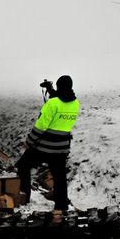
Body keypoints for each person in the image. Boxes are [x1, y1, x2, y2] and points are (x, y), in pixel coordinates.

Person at [16, 75, 80, 212]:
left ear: (58, 86)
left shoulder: (51, 104)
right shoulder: (75, 103)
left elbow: (41, 126)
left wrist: (29, 141)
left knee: (22, 166)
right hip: (61, 148)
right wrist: (51, 91)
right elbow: (61, 100)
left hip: (44, 147)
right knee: (60, 177)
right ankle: (61, 206)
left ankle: (24, 197)